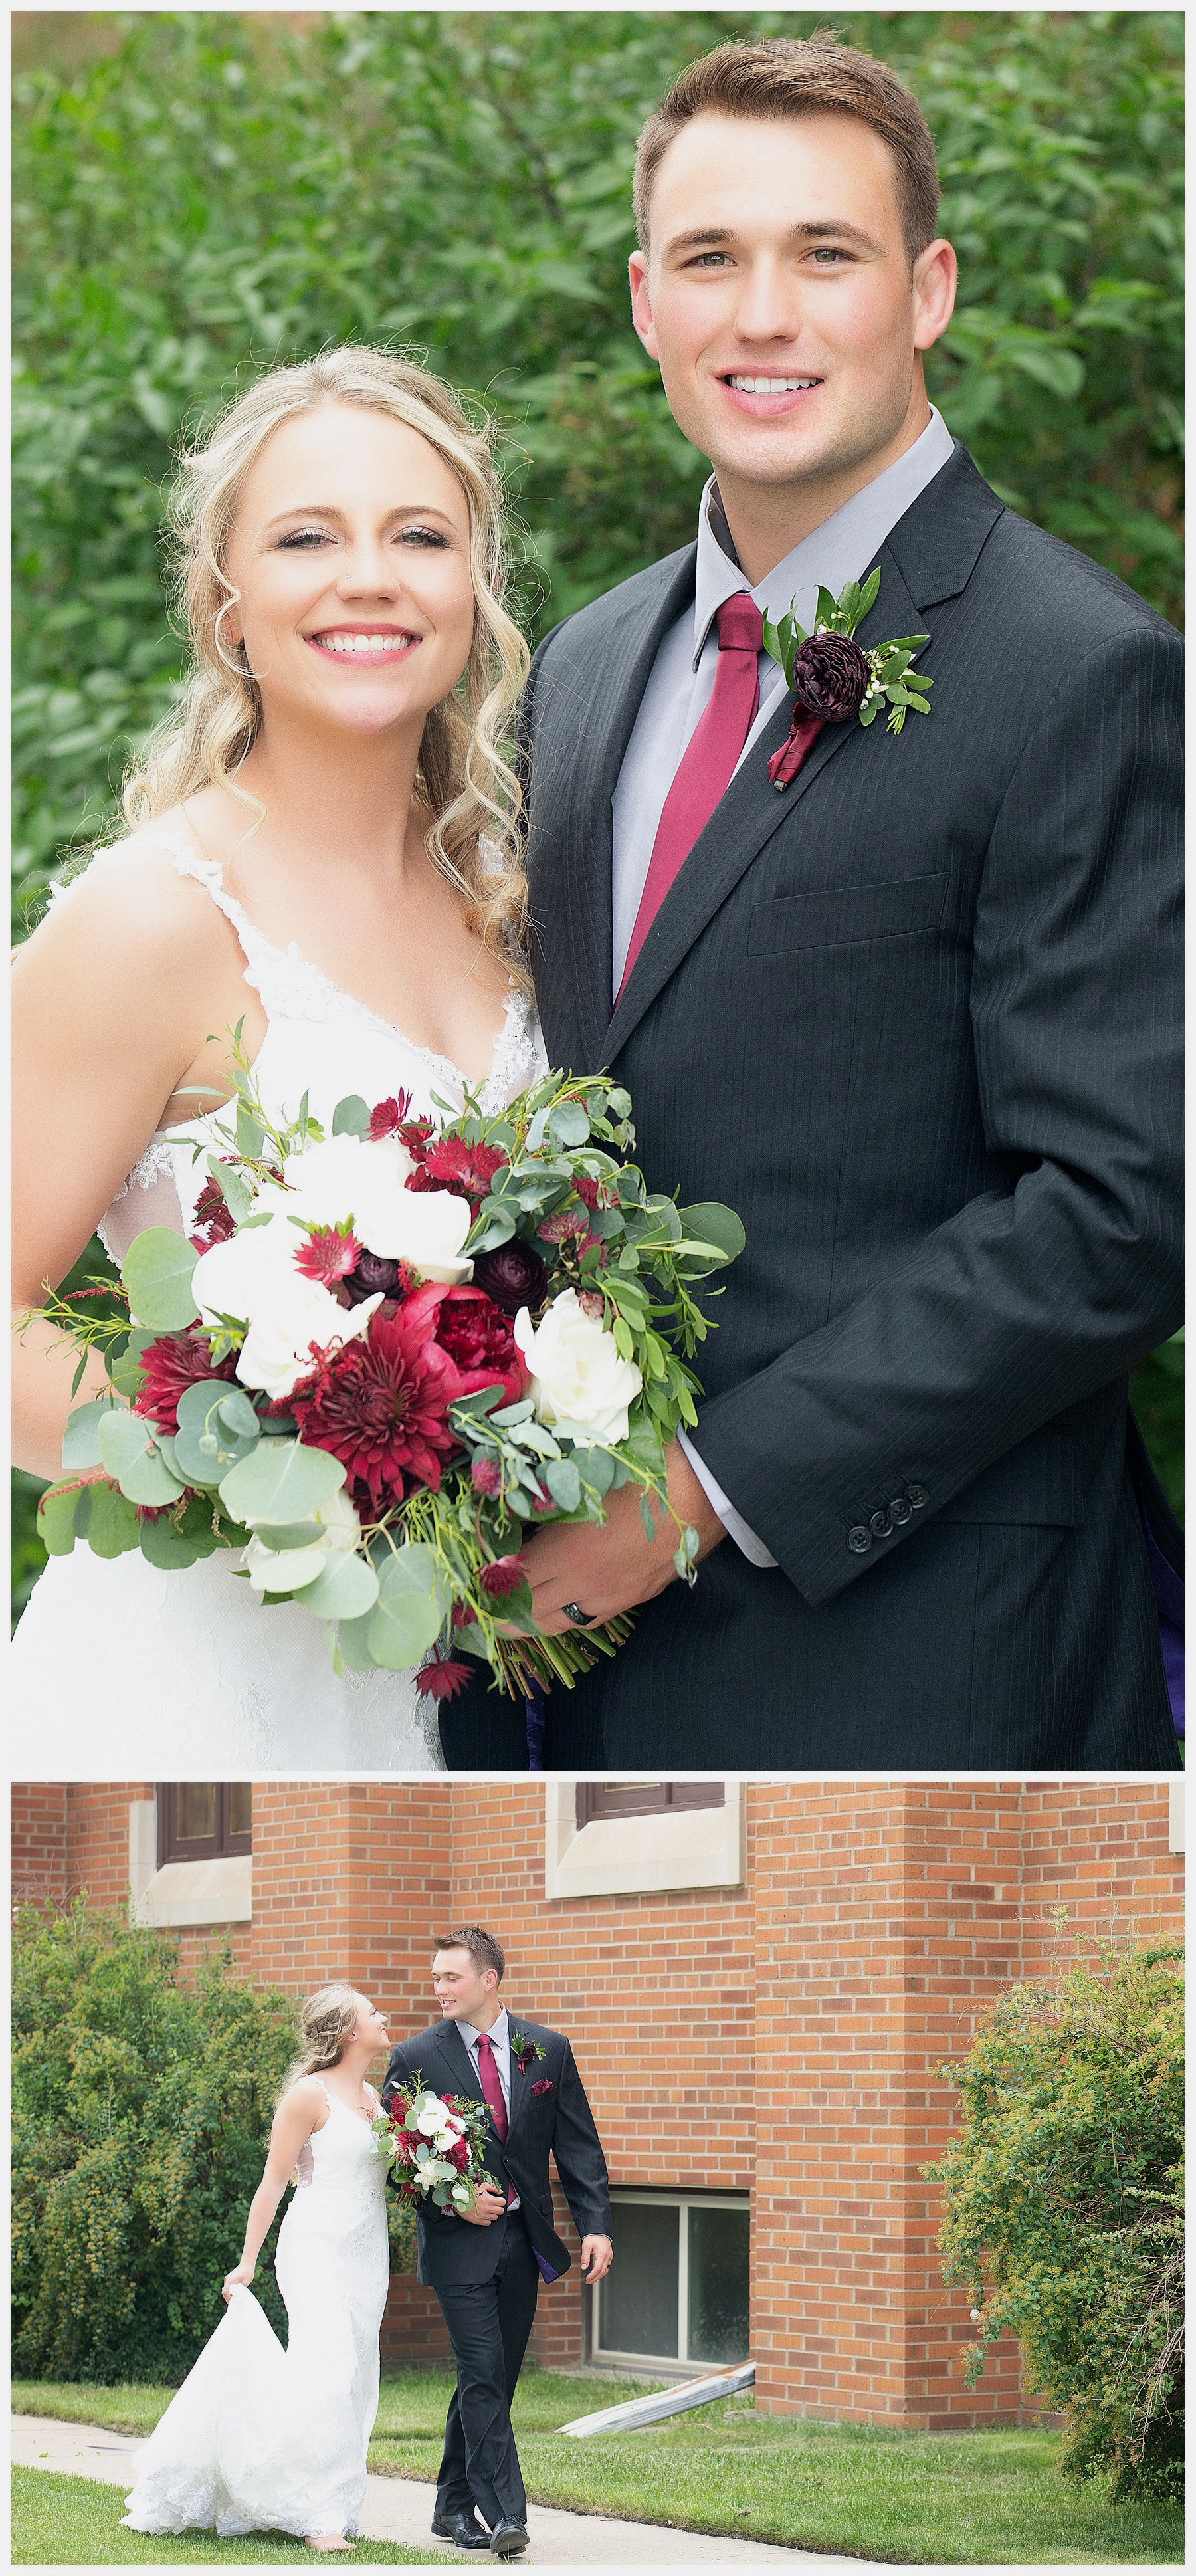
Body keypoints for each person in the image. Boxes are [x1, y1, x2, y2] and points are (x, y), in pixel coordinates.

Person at [440, 34, 1183, 1774]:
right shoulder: (591, 664)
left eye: (824, 255)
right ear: (646, 302)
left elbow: (1122, 1204)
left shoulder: (1086, 672)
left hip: (918, 1646)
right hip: (548, 1651)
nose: (762, 314)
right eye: (711, 259)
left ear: (926, 291)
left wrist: (703, 1490)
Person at [11, 348, 546, 1769]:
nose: (369, 577)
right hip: (194, 1666)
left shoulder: (516, 897)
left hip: (455, 1669)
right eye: (308, 537)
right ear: (226, 605)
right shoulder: (152, 920)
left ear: (473, 591)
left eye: (419, 536)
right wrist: (234, 1473)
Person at [122, 1985, 393, 2550]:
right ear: (348, 2032)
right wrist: (248, 2261)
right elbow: (274, 2181)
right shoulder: (307, 2096)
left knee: (357, 2375)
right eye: (373, 2013)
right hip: (316, 2247)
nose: (383, 2017)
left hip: (368, 2254)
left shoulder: (379, 2098)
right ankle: (317, 2516)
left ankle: (336, 2500)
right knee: (330, 2368)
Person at [381, 1926, 613, 2559]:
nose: (439, 1989)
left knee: (493, 2377)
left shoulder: (547, 2050)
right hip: (458, 2245)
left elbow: (578, 2144)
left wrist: (595, 2225)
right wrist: (454, 2198)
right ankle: (506, 2514)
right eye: (435, 1977)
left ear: (489, 1980)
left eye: (451, 1977)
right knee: (482, 2370)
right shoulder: (415, 2057)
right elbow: (396, 2162)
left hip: (523, 2239)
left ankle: (451, 2505)